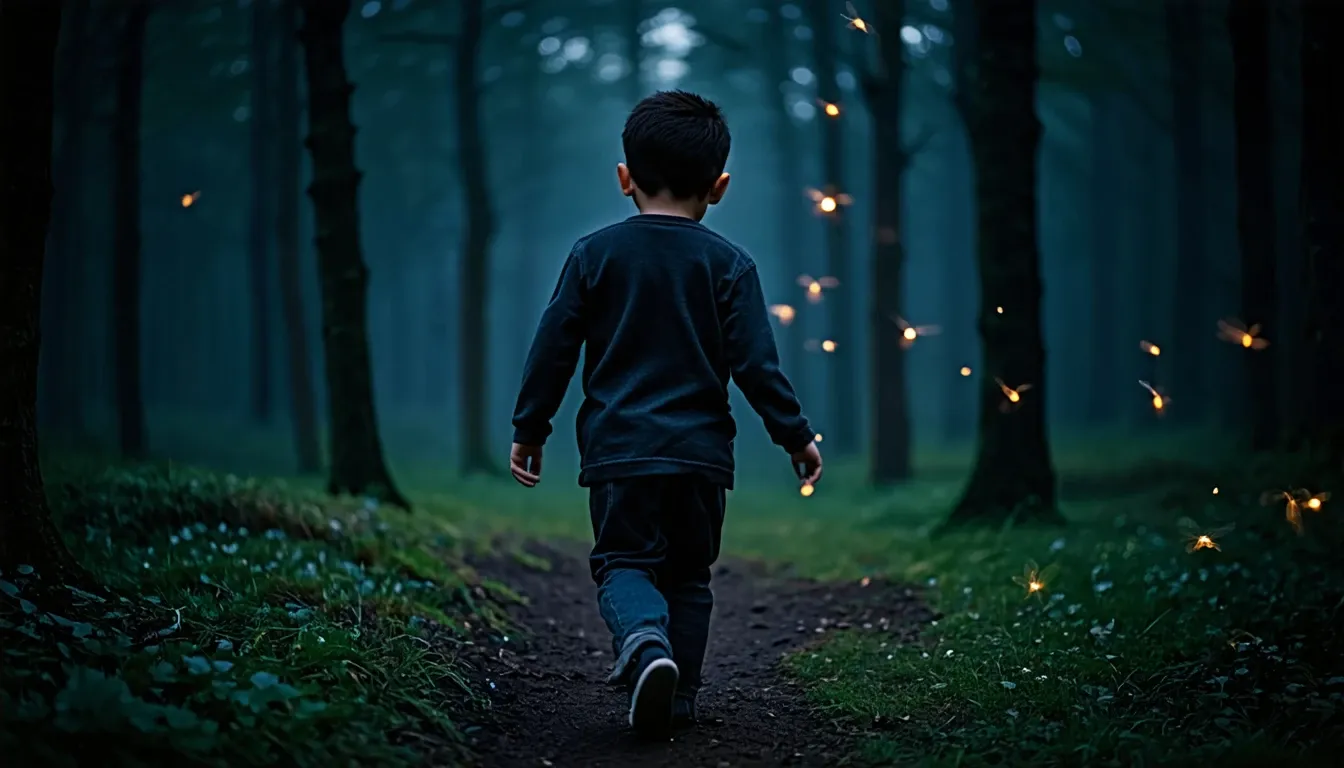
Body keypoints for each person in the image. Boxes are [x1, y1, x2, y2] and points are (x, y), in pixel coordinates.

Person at [508, 89, 823, 740]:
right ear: (720, 186)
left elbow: (554, 348)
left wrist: (529, 428)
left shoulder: (594, 255)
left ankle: (646, 648)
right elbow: (757, 367)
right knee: (689, 577)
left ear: (625, 178)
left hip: (620, 451)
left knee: (624, 562)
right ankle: (678, 699)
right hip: (702, 457)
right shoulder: (730, 265)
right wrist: (796, 436)